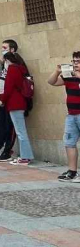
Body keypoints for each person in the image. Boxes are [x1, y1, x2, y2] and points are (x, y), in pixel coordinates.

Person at [0, 52, 34, 165]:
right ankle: (25, 156)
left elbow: (8, 88)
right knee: (21, 131)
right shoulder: (20, 68)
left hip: (15, 104)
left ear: (7, 60)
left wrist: (2, 99)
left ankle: (26, 157)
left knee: (20, 131)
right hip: (20, 102)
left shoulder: (12, 69)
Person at [47, 51, 80, 181]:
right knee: (69, 143)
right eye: (74, 61)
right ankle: (72, 172)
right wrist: (57, 71)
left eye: (78, 61)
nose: (75, 64)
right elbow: (51, 82)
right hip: (71, 116)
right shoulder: (68, 76)